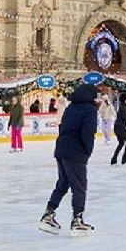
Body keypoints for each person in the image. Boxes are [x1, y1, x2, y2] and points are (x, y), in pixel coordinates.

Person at [39, 83, 98, 235]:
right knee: (79, 186)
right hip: (76, 152)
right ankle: (77, 220)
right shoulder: (90, 110)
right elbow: (88, 132)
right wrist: (86, 151)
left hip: (61, 149)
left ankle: (48, 215)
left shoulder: (70, 108)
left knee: (63, 184)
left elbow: (62, 127)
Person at [111, 93, 126, 165]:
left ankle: (114, 160)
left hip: (117, 127)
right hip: (120, 128)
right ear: (124, 99)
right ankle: (124, 160)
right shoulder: (124, 107)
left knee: (121, 143)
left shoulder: (123, 106)